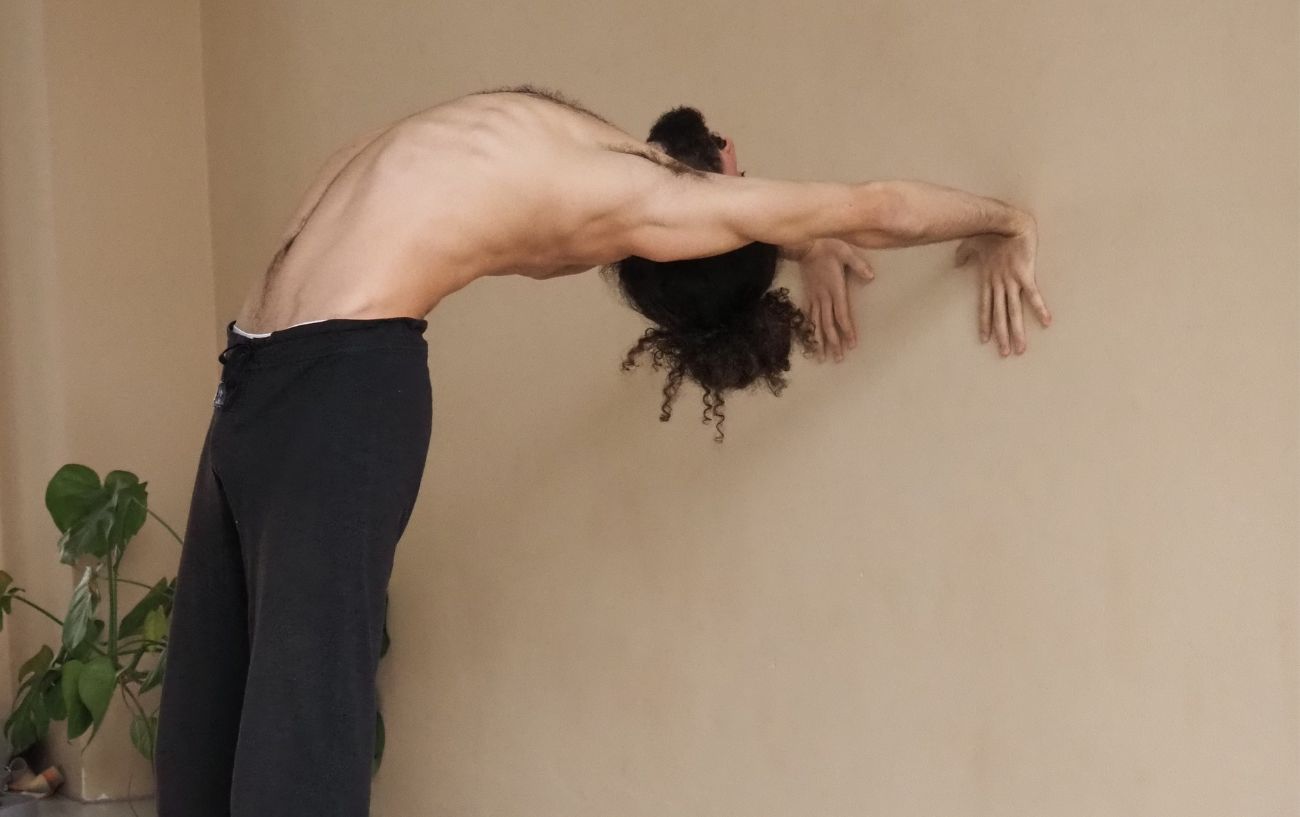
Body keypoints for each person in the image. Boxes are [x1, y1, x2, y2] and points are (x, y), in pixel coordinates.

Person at [152, 83, 1052, 817]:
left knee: (298, 754)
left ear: (728, 179)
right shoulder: (584, 163)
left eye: (752, 191)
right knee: (197, 742)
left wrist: (1007, 218)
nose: (747, 174)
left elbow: (878, 205)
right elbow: (814, 218)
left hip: (338, 393)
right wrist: (800, 236)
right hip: (256, 384)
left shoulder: (650, 194)